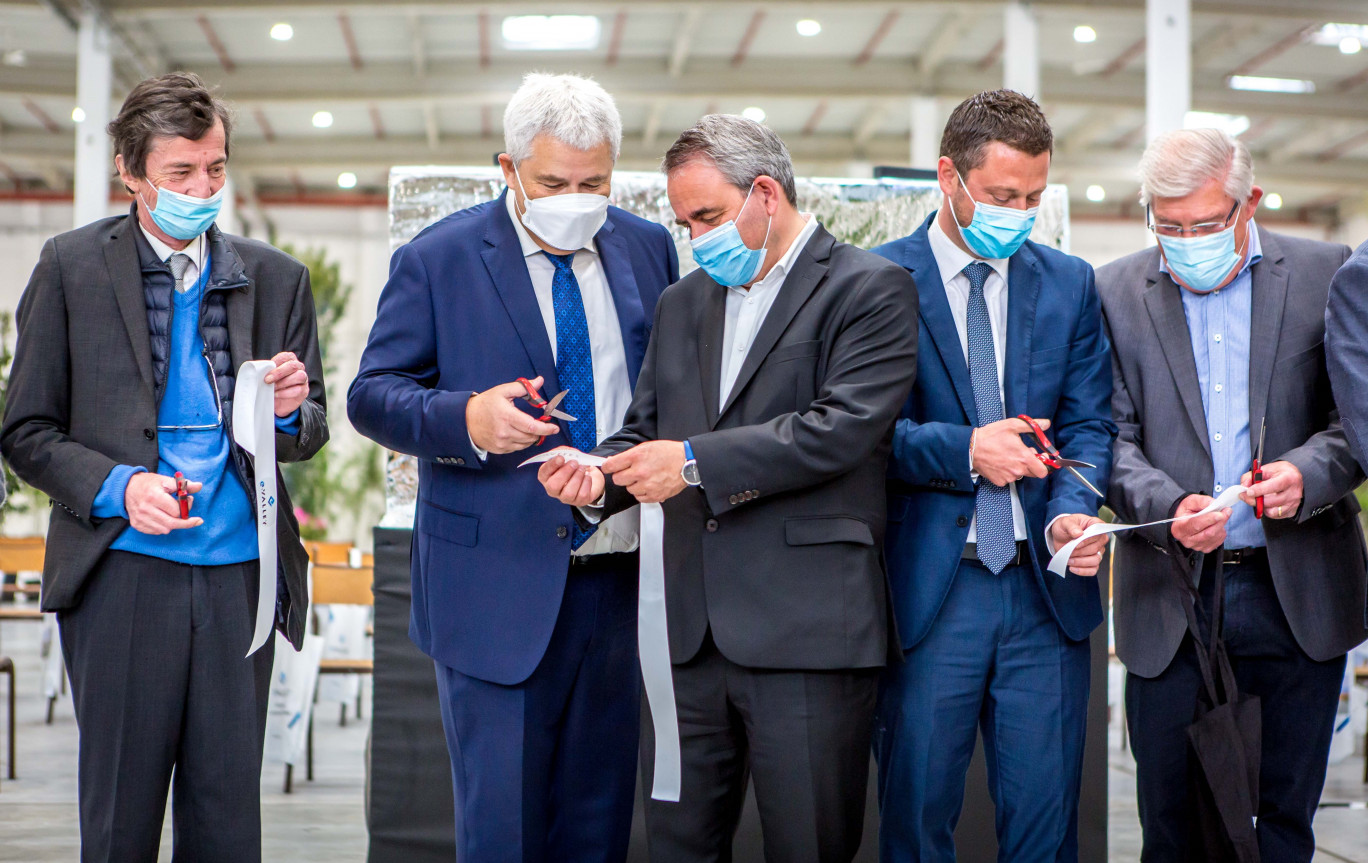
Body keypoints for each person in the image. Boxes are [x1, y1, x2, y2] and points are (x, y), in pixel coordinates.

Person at [538, 113, 917, 862]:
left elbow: (840, 429)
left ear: (765, 194)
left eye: (707, 216)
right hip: (687, 635)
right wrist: (593, 478)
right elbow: (645, 429)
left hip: (807, 631)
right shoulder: (683, 303)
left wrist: (690, 463)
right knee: (677, 846)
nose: (694, 236)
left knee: (809, 844)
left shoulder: (869, 287)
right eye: (682, 222)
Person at [347, 73, 678, 862]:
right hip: (493, 591)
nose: (576, 198)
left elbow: (663, 393)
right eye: (554, 182)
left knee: (599, 828)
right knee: (504, 832)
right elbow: (371, 395)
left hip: (621, 579)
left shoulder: (646, 247)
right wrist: (464, 419)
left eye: (593, 182)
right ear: (508, 169)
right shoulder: (440, 258)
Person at [1, 72, 327, 862]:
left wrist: (288, 407)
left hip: (240, 586)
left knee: (226, 825)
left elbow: (309, 430)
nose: (203, 188)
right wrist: (120, 487)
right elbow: (25, 429)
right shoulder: (70, 269)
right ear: (129, 170)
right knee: (120, 818)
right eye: (180, 173)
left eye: (214, 168)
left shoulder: (276, 277)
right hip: (121, 579)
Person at [1099, 128, 1367, 862]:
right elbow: (1109, 436)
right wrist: (1168, 504)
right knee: (1172, 824)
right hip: (1173, 595)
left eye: (1206, 224)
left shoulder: (1325, 272)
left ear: (1248, 202)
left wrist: (1307, 474)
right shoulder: (1116, 289)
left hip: (1296, 591)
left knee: (1283, 820)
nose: (1186, 242)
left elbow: (1356, 421)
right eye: (1169, 225)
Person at [869, 89, 1115, 862]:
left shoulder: (1070, 283)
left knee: (1045, 830)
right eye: (1004, 196)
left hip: (1045, 594)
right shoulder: (876, 282)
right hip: (931, 593)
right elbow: (864, 436)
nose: (1021, 212)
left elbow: (1090, 424)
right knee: (916, 821)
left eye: (1035, 197)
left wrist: (1070, 512)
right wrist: (966, 450)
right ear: (950, 176)